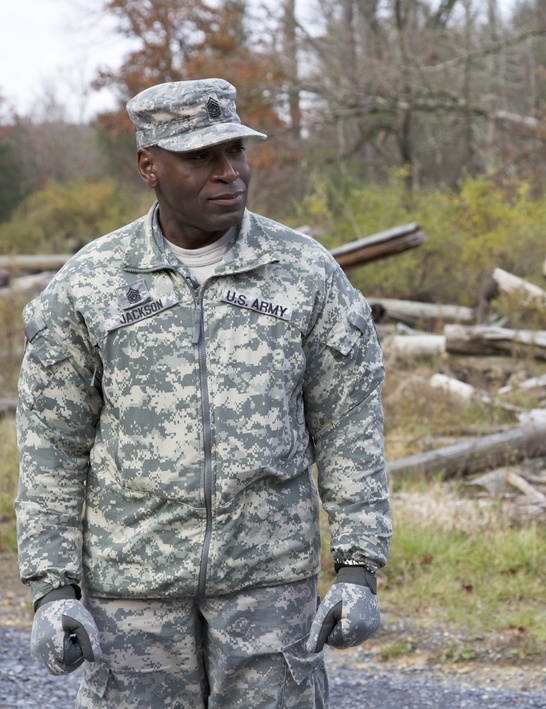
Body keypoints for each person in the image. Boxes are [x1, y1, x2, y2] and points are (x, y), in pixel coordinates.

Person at [15, 78, 391, 707]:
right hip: (132, 596)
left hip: (269, 591)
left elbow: (349, 424)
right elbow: (53, 444)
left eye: (236, 152)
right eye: (200, 157)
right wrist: (52, 591)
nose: (229, 173)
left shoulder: (304, 273)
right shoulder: (92, 284)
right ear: (148, 165)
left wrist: (359, 570)